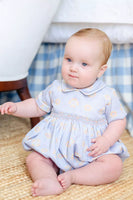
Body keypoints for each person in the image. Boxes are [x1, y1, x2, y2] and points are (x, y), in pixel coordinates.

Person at [0, 28, 129, 197]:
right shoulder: (56, 88)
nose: (73, 68)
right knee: (34, 159)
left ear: (101, 70)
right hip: (56, 148)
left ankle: (73, 176)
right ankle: (48, 179)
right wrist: (16, 108)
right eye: (69, 60)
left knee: (114, 166)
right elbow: (38, 106)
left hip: (90, 152)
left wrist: (106, 140)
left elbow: (118, 121)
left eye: (84, 64)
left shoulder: (106, 95)